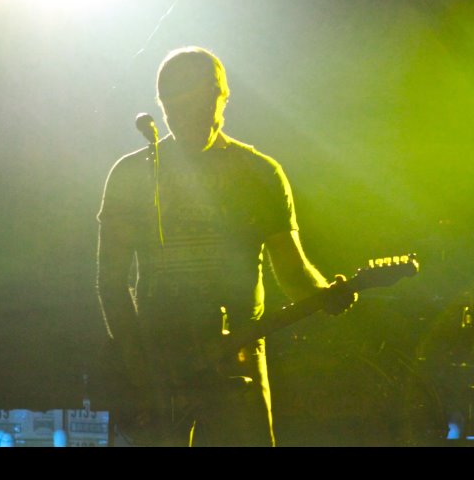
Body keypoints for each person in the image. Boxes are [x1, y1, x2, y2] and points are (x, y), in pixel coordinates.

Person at [96, 46, 357, 446]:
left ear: (221, 96)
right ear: (161, 106)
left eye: (200, 102)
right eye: (177, 105)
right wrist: (139, 368)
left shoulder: (259, 173)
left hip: (239, 357)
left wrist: (324, 293)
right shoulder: (133, 174)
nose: (190, 115)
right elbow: (110, 283)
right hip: (161, 360)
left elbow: (292, 270)